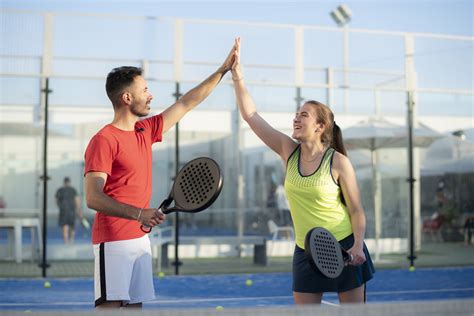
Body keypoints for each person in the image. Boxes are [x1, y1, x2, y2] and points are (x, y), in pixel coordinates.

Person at [84, 42, 236, 309]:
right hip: (113, 240)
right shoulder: (104, 140)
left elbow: (187, 102)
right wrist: (139, 214)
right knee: (110, 309)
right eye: (144, 90)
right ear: (127, 98)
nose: (150, 95)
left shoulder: (146, 130)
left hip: (140, 240)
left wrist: (222, 70)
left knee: (135, 308)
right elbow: (93, 197)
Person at [230, 37, 374, 304]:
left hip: (344, 245)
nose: (296, 118)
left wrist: (356, 245)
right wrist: (237, 76)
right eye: (296, 114)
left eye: (304, 115)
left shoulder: (338, 161)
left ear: (320, 127)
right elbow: (251, 116)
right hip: (305, 251)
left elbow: (356, 209)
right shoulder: (288, 151)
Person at [55, 177, 83, 244]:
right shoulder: (73, 190)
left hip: (63, 211)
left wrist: (60, 206)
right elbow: (77, 201)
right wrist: (79, 211)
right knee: (72, 226)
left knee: (65, 226)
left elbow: (56, 200)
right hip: (72, 211)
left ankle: (66, 241)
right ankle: (71, 240)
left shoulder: (60, 190)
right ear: (69, 182)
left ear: (64, 182)